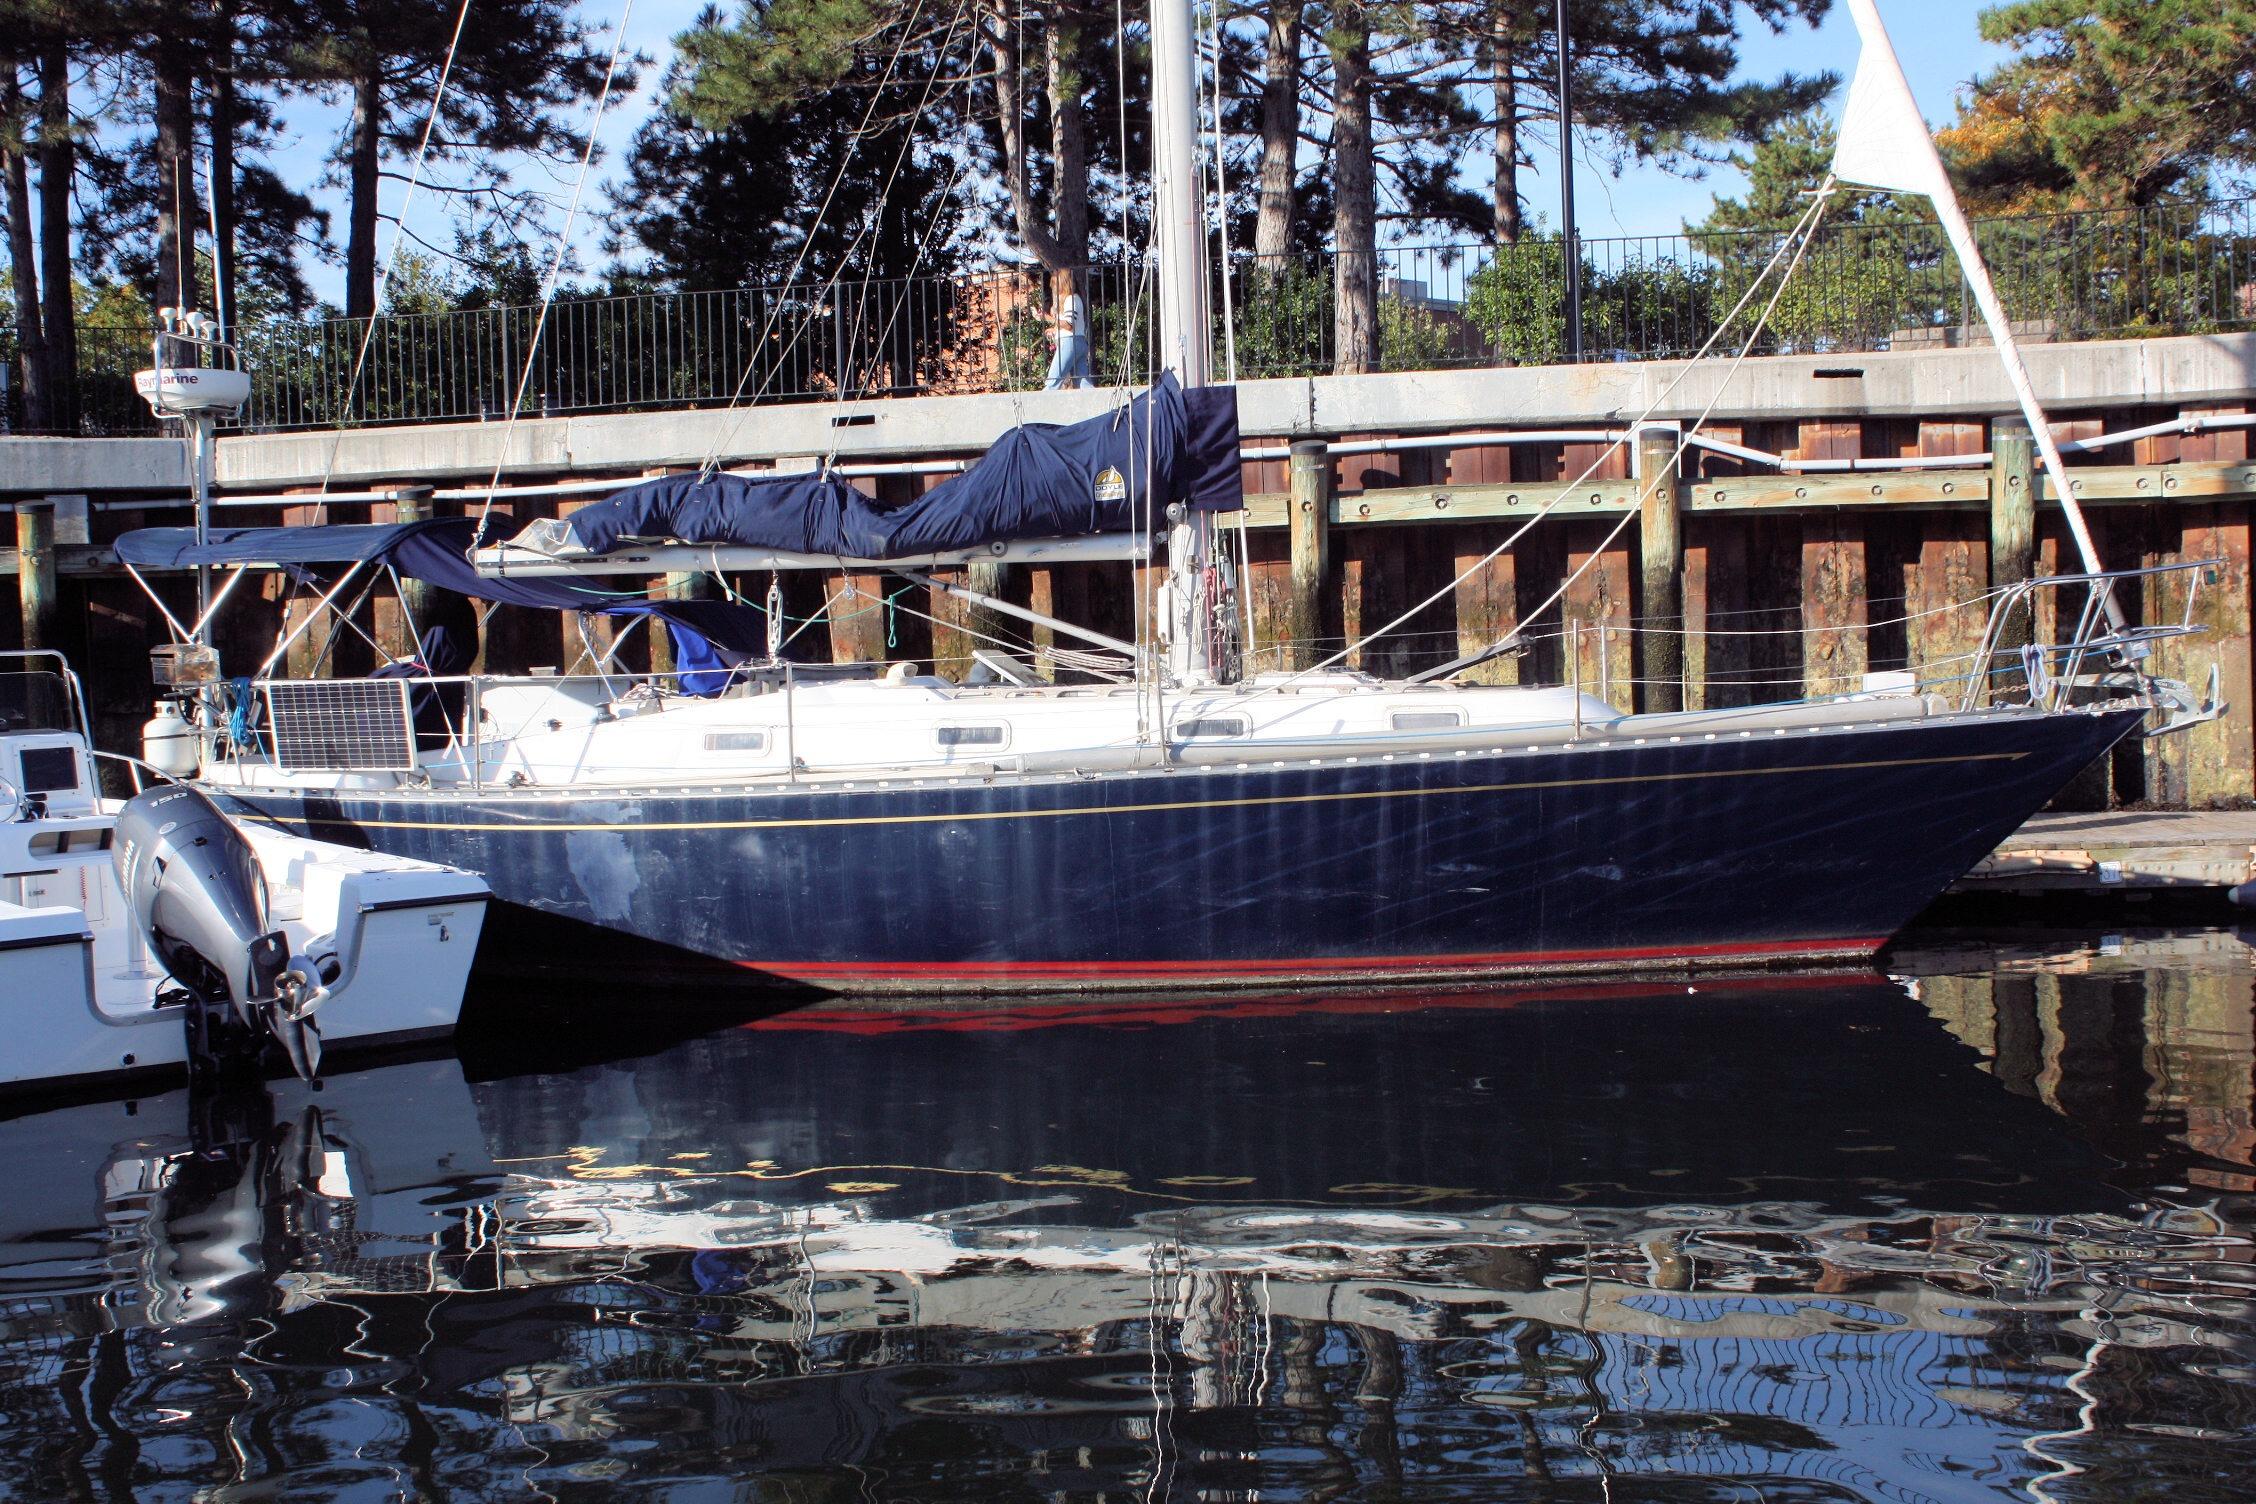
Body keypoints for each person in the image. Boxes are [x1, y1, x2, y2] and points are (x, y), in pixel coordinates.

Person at [1042, 270, 1093, 390]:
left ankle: (1040, 405)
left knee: (1053, 381)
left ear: (1063, 283)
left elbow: (1070, 324)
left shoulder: (1071, 299)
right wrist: (1055, 330)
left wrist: (1047, 318)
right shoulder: (1074, 299)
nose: (1054, 288)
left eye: (1055, 284)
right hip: (1078, 342)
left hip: (1069, 343)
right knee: (1083, 383)